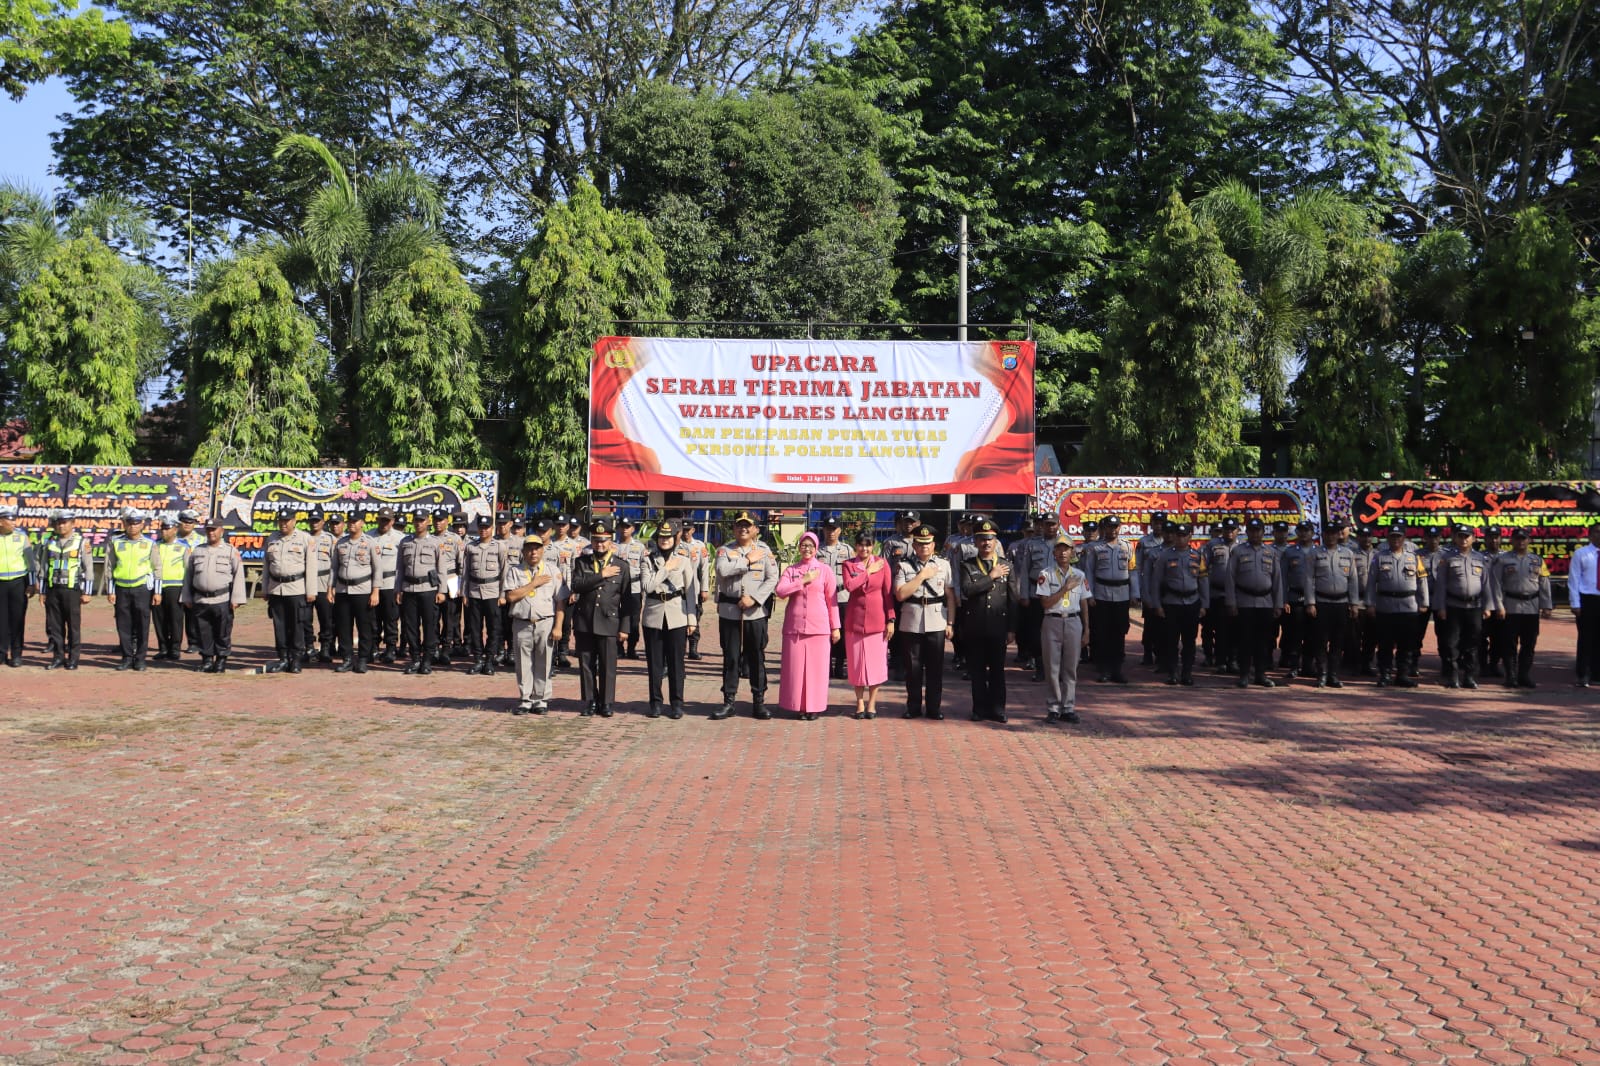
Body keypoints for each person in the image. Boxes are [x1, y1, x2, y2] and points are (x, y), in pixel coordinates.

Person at [713, 511, 779, 720]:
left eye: (748, 526)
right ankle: (729, 701)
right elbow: (723, 571)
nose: (743, 529)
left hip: (755, 612)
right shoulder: (725, 550)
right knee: (731, 657)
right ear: (734, 529)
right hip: (730, 612)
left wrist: (756, 598)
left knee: (756, 657)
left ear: (756, 529)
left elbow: (772, 578)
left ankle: (758, 701)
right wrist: (747, 561)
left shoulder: (764, 550)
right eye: (739, 525)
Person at [773, 531, 841, 721]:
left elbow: (832, 600)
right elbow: (780, 591)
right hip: (794, 627)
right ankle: (798, 705)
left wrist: (835, 627)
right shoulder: (792, 570)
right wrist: (802, 581)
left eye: (810, 546)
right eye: (804, 545)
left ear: (816, 548)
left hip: (818, 627)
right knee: (795, 669)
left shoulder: (824, 570)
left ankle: (814, 706)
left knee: (816, 670)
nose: (807, 549)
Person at [639, 523, 698, 719]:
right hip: (654, 614)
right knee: (654, 663)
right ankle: (655, 702)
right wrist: (665, 569)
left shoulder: (683, 560)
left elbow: (690, 592)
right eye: (662, 537)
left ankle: (676, 703)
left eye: (669, 537)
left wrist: (692, 619)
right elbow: (647, 586)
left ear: (674, 539)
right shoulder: (648, 560)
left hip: (677, 614)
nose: (665, 540)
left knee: (676, 663)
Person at [960, 519, 1016, 722]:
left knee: (997, 672)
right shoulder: (967, 566)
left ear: (996, 541)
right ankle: (979, 709)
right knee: (977, 672)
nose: (986, 543)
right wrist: (991, 577)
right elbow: (967, 590)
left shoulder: (1006, 565)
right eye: (982, 539)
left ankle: (998, 709)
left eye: (990, 539)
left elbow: (1013, 599)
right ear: (975, 541)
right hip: (975, 626)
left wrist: (1012, 629)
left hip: (998, 627)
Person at [570, 519, 628, 716]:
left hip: (609, 621)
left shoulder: (621, 566)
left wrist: (625, 627)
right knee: (586, 664)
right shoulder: (582, 562)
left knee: (607, 664)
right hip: (585, 620)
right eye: (596, 540)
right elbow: (576, 585)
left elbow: (628, 599)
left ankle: (606, 702)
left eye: (603, 540)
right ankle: (589, 700)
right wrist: (601, 575)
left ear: (611, 541)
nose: (599, 544)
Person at [896, 524, 954, 720]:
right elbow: (901, 594)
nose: (924, 547)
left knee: (935, 668)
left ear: (933, 544)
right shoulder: (904, 566)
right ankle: (913, 706)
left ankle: (933, 708)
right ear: (914, 545)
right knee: (913, 668)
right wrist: (921, 576)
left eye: (927, 544)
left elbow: (950, 595)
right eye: (920, 544)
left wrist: (951, 623)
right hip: (911, 620)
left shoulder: (943, 565)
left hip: (937, 619)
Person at [506, 535, 567, 714]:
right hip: (521, 622)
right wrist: (533, 583)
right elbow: (511, 596)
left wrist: (558, 626)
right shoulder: (515, 571)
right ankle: (525, 699)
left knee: (544, 662)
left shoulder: (552, 570)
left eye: (537, 548)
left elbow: (560, 601)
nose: (533, 552)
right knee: (523, 663)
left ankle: (541, 700)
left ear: (542, 550)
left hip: (545, 623)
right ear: (524, 551)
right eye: (530, 549)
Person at [1366, 523, 1430, 687]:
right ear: (1388, 538)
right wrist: (1370, 604)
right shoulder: (1379, 557)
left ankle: (1402, 674)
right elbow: (1371, 583)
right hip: (1385, 606)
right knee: (1385, 643)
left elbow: (1422, 581)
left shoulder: (1415, 558)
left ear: (1404, 538)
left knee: (1407, 643)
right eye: (1393, 536)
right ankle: (1385, 674)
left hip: (1408, 606)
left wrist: (1424, 602)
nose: (1396, 540)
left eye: (1399, 536)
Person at [1223, 517, 1284, 689]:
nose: (1255, 534)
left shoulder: (1271, 552)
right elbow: (1230, 578)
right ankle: (1244, 675)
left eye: (1258, 531)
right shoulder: (1238, 551)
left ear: (1263, 533)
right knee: (1245, 640)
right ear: (1247, 532)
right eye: (1252, 530)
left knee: (1263, 642)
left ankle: (1260, 674)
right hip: (1244, 601)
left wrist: (1278, 604)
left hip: (1265, 602)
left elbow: (1278, 580)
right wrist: (1231, 602)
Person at [1432, 524, 1495, 689]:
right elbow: (1441, 585)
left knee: (1473, 643)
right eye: (1460, 536)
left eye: (1467, 536)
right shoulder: (1447, 558)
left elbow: (1486, 584)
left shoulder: (1480, 558)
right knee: (1451, 643)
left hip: (1475, 606)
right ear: (1455, 538)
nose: (1464, 539)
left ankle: (1469, 677)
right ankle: (1453, 677)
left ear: (1473, 538)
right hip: (1453, 606)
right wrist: (1441, 607)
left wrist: (1488, 606)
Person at [180, 517, 247, 672]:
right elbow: (188, 576)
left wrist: (236, 598)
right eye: (209, 530)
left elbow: (238, 575)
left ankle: (221, 660)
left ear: (221, 531)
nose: (211, 533)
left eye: (214, 529)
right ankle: (207, 660)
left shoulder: (230, 551)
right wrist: (187, 597)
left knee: (222, 632)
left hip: (222, 599)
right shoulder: (198, 551)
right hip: (201, 599)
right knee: (203, 631)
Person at [841, 528, 894, 719]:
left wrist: (891, 619)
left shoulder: (882, 563)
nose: (864, 548)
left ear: (873, 546)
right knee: (856, 664)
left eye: (868, 544)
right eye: (861, 544)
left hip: (877, 620)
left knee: (875, 664)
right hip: (854, 621)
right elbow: (850, 586)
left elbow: (887, 593)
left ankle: (872, 703)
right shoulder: (848, 565)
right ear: (856, 546)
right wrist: (867, 571)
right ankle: (859, 702)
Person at [1037, 535, 1089, 722]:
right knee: (1052, 667)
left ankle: (1068, 707)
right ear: (1054, 553)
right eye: (1059, 549)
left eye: (1066, 549)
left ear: (1072, 552)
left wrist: (1087, 629)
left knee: (1071, 667)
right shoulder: (1046, 574)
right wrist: (1064, 589)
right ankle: (1053, 707)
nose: (1062, 552)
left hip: (1073, 621)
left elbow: (1084, 602)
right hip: (1053, 620)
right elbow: (1045, 603)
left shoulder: (1080, 575)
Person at [1491, 528, 1552, 688]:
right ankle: (1511, 676)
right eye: (1517, 539)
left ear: (1529, 541)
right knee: (1509, 643)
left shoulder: (1537, 560)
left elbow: (1544, 583)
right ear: (1511, 541)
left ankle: (1524, 675)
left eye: (1524, 539)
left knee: (1529, 643)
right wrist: (1498, 605)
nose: (1521, 542)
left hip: (1532, 607)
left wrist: (1546, 605)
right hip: (1510, 605)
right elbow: (1496, 583)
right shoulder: (1502, 560)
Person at [1151, 522, 1209, 686]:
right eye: (1178, 535)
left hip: (1192, 603)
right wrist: (1157, 604)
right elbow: (1156, 582)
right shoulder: (1165, 556)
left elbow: (1203, 581)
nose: (1181, 538)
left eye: (1184, 535)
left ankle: (1187, 673)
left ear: (1190, 536)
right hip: (1171, 603)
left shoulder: (1197, 556)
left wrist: (1205, 605)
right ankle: (1172, 673)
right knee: (1171, 640)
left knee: (1190, 641)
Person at [103, 509, 160, 671]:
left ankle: (140, 659)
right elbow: (109, 567)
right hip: (121, 588)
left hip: (142, 588)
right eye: (129, 523)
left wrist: (157, 592)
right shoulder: (116, 542)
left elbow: (157, 568)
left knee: (142, 624)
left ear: (142, 524)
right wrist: (110, 590)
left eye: (136, 523)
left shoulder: (149, 543)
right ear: (124, 524)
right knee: (123, 625)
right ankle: (127, 657)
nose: (133, 526)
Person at [1305, 521, 1360, 688]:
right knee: (1320, 640)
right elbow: (1308, 579)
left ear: (1338, 535)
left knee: (1338, 641)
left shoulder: (1348, 553)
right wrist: (1310, 603)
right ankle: (1321, 673)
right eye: (1327, 533)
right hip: (1322, 603)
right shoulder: (1315, 554)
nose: (1330, 536)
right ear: (1323, 535)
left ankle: (1333, 675)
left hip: (1342, 604)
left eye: (1333, 533)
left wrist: (1354, 603)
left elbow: (1353, 580)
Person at [1083, 515, 1136, 683]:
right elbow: (1089, 572)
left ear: (1119, 528)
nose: (1112, 530)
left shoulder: (1127, 547)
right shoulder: (1094, 548)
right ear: (1103, 528)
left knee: (1119, 632)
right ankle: (1104, 669)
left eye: (1115, 527)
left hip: (1122, 594)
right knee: (1102, 633)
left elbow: (1133, 572)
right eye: (1109, 527)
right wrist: (1089, 594)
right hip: (1101, 594)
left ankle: (1117, 670)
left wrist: (1135, 594)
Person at [38, 510, 91, 670]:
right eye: (58, 522)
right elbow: (44, 567)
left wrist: (87, 592)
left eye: (65, 522)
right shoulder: (50, 542)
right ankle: (58, 657)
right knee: (55, 626)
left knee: (73, 626)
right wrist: (42, 591)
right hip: (53, 589)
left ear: (72, 523)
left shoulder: (81, 542)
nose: (61, 526)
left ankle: (73, 659)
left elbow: (88, 567)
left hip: (72, 590)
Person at [397, 510, 446, 675]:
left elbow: (442, 569)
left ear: (428, 522)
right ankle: (415, 659)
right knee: (411, 627)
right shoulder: (405, 542)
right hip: (409, 589)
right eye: (416, 520)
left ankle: (427, 660)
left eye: (422, 520)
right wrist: (399, 589)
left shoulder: (435, 543)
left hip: (428, 590)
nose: (418, 523)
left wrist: (442, 591)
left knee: (429, 626)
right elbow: (400, 568)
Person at [330, 512, 378, 674]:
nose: (352, 524)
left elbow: (377, 569)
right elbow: (334, 568)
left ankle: (363, 659)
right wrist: (331, 588)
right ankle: (347, 659)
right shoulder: (341, 543)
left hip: (363, 590)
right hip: (343, 590)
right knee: (344, 626)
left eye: (355, 521)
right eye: (349, 521)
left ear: (362, 523)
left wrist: (375, 591)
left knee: (364, 626)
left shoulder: (370, 543)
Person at [462, 515, 507, 675]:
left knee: (494, 628)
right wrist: (464, 593)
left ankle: (489, 660)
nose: (483, 530)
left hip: (492, 592)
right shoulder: (470, 547)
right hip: (474, 592)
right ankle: (478, 659)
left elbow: (504, 572)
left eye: (486, 527)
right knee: (475, 628)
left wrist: (502, 594)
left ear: (491, 529)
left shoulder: (499, 547)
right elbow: (465, 572)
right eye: (481, 527)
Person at [880, 510, 918, 680]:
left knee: (913, 630)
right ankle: (897, 663)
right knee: (895, 630)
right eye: (905, 521)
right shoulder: (890, 543)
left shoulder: (923, 542)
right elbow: (884, 568)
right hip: (896, 593)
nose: (908, 524)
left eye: (912, 521)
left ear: (917, 523)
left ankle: (913, 664)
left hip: (916, 593)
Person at [0, 504, 37, 667]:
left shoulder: (21, 536)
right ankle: (1, 653)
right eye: (10, 519)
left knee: (17, 620)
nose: (14, 522)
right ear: (1, 522)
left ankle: (16, 654)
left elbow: (31, 563)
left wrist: (31, 583)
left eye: (14, 519)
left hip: (18, 583)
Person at [816, 516, 852, 680]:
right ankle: (827, 664)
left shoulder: (848, 550)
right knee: (825, 631)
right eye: (828, 529)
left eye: (834, 529)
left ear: (840, 530)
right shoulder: (817, 551)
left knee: (842, 631)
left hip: (843, 596)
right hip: (822, 598)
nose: (831, 532)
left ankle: (839, 665)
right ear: (823, 530)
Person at [1279, 522, 1316, 677]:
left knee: (1312, 634)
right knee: (1294, 634)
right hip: (1295, 597)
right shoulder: (1289, 552)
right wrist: (1284, 600)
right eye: (1300, 531)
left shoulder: (1319, 551)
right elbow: (1283, 577)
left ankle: (1308, 666)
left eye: (1306, 531)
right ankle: (1294, 667)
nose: (1303, 534)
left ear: (1312, 532)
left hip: (1315, 599)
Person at [152, 516, 191, 661]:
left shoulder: (183, 546)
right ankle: (163, 648)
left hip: (176, 586)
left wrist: (188, 590)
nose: (164, 532)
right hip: (157, 586)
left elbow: (188, 569)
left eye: (167, 529)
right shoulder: (155, 545)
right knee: (159, 619)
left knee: (175, 619)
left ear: (175, 530)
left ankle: (175, 649)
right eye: (162, 528)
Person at [1203, 517, 1238, 673]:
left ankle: (1234, 660)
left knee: (1236, 630)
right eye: (1227, 529)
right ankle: (1220, 660)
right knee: (1220, 629)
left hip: (1237, 595)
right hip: (1217, 593)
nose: (1229, 532)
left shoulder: (1242, 547)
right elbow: (1202, 570)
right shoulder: (1212, 546)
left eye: (1232, 529)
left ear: (1238, 531)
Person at [370, 508, 405, 663]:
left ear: (392, 521)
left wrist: (400, 587)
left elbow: (403, 565)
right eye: (381, 519)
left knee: (391, 619)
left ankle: (391, 648)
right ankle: (374, 648)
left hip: (391, 583)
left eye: (387, 520)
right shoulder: (369, 536)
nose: (384, 523)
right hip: (372, 584)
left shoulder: (400, 538)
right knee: (373, 618)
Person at [304, 507, 338, 663]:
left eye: (317, 520)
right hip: (306, 584)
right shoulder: (303, 538)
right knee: (305, 618)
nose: (314, 523)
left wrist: (332, 586)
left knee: (327, 618)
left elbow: (335, 565)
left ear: (323, 522)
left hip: (324, 583)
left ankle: (326, 647)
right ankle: (309, 647)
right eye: (312, 520)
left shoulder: (330, 539)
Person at [1568, 523, 1600, 687]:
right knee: (1586, 638)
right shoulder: (1581, 553)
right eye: (1596, 532)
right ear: (1590, 535)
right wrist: (1575, 603)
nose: (1599, 535)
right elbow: (1574, 579)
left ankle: (1597, 673)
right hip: (1587, 599)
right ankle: (1583, 673)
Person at [1136, 511, 1169, 667]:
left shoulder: (1172, 541)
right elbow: (1138, 568)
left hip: (1167, 590)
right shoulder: (1144, 542)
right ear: (1151, 524)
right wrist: (1141, 593)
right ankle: (1147, 652)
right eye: (1156, 522)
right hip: (1149, 588)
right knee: (1150, 624)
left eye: (1161, 523)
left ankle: (1163, 654)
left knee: (1165, 625)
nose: (1158, 525)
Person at [613, 517, 647, 660]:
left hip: (634, 588)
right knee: (616, 617)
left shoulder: (639, 547)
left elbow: (645, 567)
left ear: (633, 529)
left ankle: (631, 648)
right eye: (622, 526)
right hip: (616, 588)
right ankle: (619, 648)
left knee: (633, 619)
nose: (625, 529)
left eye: (628, 526)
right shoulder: (613, 546)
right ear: (619, 528)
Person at [434, 509, 465, 661]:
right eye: (435, 520)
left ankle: (447, 648)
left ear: (447, 521)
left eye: (441, 520)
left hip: (451, 579)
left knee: (450, 616)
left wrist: (459, 584)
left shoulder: (455, 539)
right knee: (433, 616)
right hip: (433, 580)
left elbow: (461, 563)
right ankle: (434, 647)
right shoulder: (429, 538)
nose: (438, 523)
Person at [680, 518, 711, 660]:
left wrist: (705, 589)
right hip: (678, 588)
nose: (686, 533)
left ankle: (693, 648)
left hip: (694, 589)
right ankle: (680, 647)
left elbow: (704, 569)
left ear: (693, 530)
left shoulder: (699, 546)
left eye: (688, 530)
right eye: (683, 530)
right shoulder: (675, 545)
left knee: (695, 618)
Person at [1478, 527, 1505, 677]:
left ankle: (1494, 664)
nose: (1493, 540)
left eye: (1496, 537)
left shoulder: (1506, 557)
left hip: (1501, 605)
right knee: (1481, 637)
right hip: (1483, 604)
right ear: (1485, 539)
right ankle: (1482, 665)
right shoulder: (1478, 557)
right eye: (1490, 537)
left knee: (1499, 638)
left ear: (1500, 539)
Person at [177, 508, 204, 653]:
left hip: (193, 580)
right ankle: (172, 644)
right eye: (184, 521)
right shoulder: (171, 538)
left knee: (192, 614)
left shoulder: (201, 541)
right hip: (175, 580)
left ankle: (194, 642)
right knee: (173, 615)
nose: (187, 524)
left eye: (190, 522)